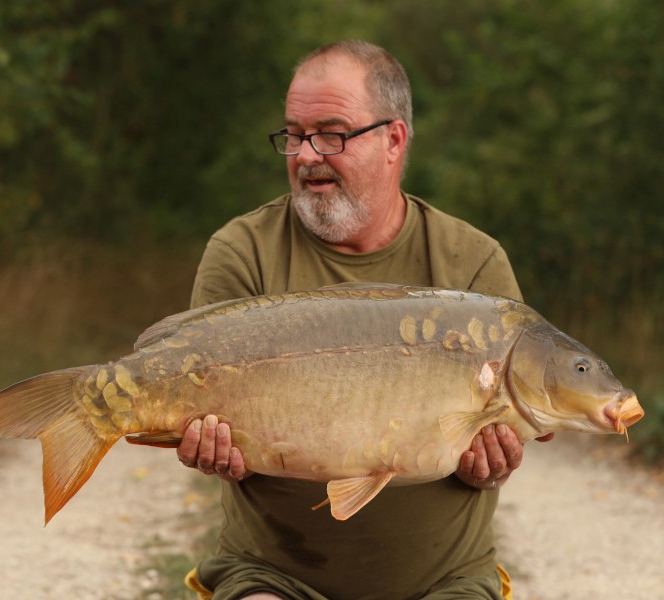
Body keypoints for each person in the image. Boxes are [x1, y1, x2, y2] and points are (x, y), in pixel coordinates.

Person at [177, 40, 551, 600]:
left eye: (332, 133)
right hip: (273, 574)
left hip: (444, 581)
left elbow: (494, 452)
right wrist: (214, 451)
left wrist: (489, 464)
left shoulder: (472, 261)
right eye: (294, 134)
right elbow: (210, 431)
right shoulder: (242, 251)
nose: (305, 155)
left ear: (393, 140)